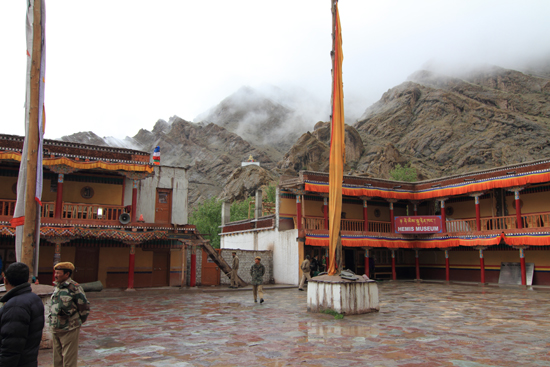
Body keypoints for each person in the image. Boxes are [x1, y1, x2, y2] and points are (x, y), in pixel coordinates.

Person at [0, 262, 44, 366]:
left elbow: (11, 346)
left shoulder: (16, 306)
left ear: (5, 280)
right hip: (29, 359)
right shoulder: (34, 298)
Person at [49, 262, 90, 367]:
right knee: (57, 359)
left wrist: (77, 321)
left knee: (69, 359)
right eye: (55, 273)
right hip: (55, 327)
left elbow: (84, 307)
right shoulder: (56, 287)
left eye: (58, 273)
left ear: (67, 274)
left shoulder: (74, 288)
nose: (56, 275)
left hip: (69, 328)